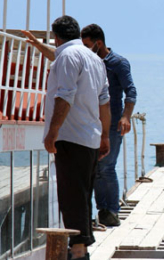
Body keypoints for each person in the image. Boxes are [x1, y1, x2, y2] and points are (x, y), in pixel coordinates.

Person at [24, 15, 110, 260]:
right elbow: (105, 101)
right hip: (91, 137)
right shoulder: (93, 59)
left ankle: (79, 251)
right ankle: (82, 247)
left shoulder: (68, 57)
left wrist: (52, 131)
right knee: (82, 195)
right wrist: (105, 136)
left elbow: (65, 95)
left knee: (71, 197)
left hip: (70, 136)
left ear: (56, 36)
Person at [80, 24, 137, 227]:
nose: (84, 49)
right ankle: (102, 210)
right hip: (91, 123)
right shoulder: (87, 62)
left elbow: (131, 92)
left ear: (99, 43)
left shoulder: (118, 63)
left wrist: (126, 117)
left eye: (87, 45)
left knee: (107, 166)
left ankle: (111, 210)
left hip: (112, 124)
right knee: (95, 167)